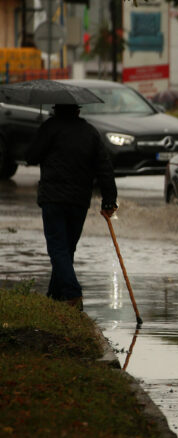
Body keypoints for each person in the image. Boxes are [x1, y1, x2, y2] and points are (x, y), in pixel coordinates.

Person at [25, 103, 118, 310]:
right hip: (78, 201)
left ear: (56, 110)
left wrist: (40, 134)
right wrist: (109, 200)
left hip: (53, 199)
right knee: (66, 249)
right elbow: (105, 168)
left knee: (58, 249)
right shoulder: (90, 132)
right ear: (78, 110)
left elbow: (30, 156)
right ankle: (56, 296)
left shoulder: (50, 128)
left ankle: (72, 293)